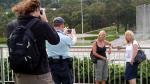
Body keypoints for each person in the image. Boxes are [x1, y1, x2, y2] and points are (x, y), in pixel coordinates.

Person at [6, 0, 60, 84]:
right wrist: (46, 21)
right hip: (39, 74)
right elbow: (55, 40)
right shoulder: (41, 24)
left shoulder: (11, 25)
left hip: (19, 74)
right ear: (37, 9)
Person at [46, 17, 77, 84]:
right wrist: (74, 35)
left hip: (52, 64)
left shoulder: (48, 37)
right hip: (64, 64)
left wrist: (63, 33)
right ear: (62, 25)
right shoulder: (65, 38)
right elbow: (73, 42)